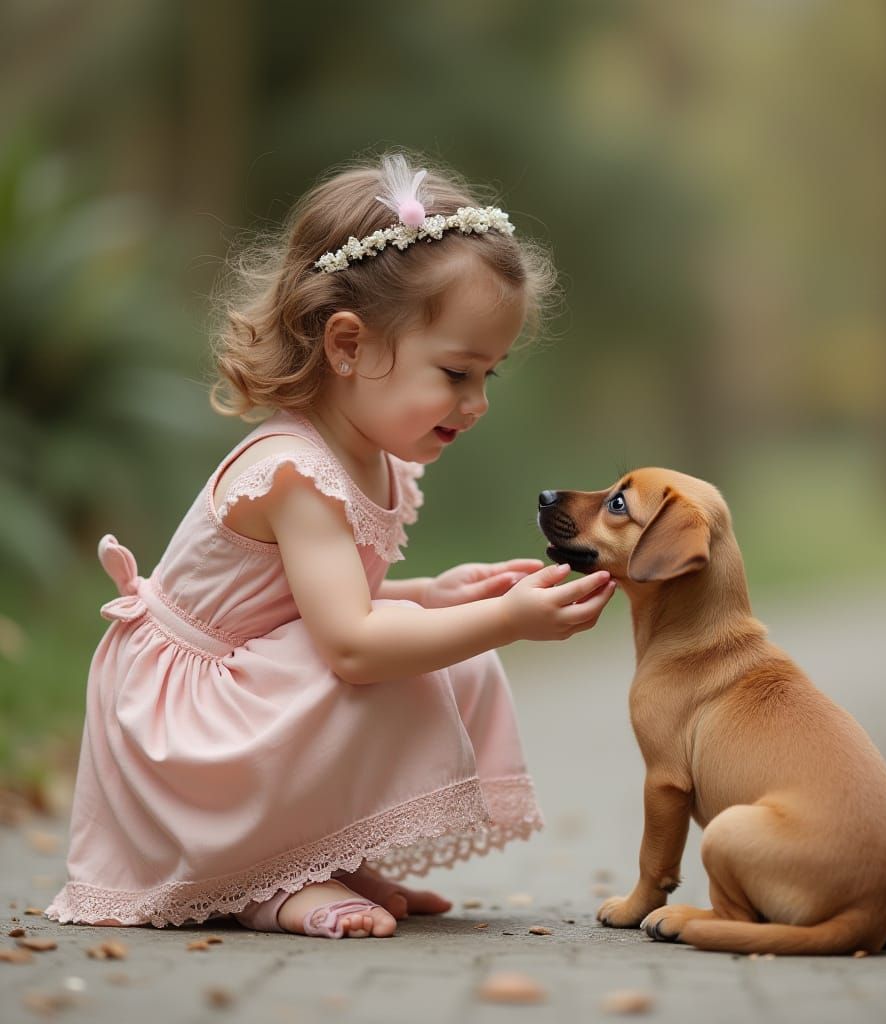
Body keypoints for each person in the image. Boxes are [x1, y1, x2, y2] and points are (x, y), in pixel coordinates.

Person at [46, 153, 616, 939]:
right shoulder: (295, 471)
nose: (477, 402)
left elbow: (316, 606)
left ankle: (317, 853)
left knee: (446, 649)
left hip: (249, 685)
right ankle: (257, 882)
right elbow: (347, 643)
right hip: (187, 728)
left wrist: (434, 593)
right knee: (408, 662)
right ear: (347, 345)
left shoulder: (368, 454)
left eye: (490, 374)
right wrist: (510, 620)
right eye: (456, 372)